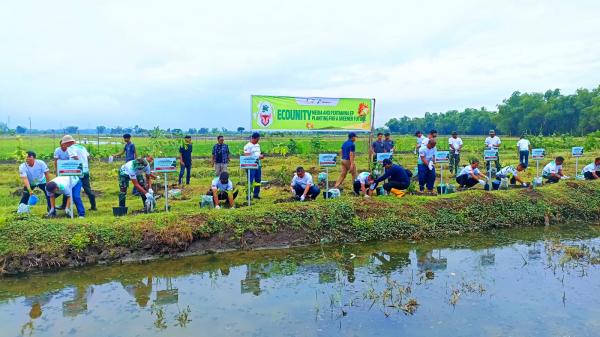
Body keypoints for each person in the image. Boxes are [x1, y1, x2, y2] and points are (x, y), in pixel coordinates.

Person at [71, 143, 97, 210]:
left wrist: (78, 166)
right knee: (87, 189)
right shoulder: (82, 147)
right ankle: (93, 206)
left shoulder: (71, 147)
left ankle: (66, 206)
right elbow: (88, 157)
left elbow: (75, 157)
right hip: (86, 170)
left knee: (72, 189)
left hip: (77, 170)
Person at [244, 132, 264, 199]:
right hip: (250, 165)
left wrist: (261, 156)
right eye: (257, 139)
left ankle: (256, 194)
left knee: (258, 179)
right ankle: (248, 195)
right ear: (253, 138)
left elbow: (259, 153)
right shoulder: (247, 146)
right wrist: (258, 157)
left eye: (258, 139)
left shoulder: (258, 145)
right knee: (250, 180)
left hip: (258, 164)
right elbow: (247, 156)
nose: (258, 141)